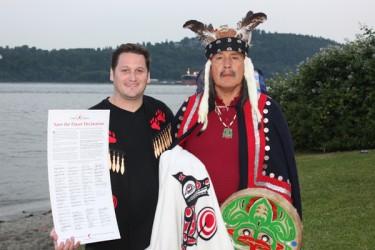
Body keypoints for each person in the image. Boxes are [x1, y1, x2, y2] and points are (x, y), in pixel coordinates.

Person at [174, 11, 302, 218]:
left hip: (249, 226)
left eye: (234, 57)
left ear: (245, 65)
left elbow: (282, 172)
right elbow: (169, 164)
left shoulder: (266, 110)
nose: (227, 65)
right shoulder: (190, 110)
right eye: (219, 58)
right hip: (196, 222)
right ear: (210, 67)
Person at [50, 43, 174, 250]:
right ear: (112, 74)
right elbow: (71, 180)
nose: (132, 77)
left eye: (139, 70)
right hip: (107, 239)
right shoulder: (88, 122)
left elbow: (178, 164)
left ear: (148, 76)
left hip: (158, 233)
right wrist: (66, 224)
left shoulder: (160, 113)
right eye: (125, 70)